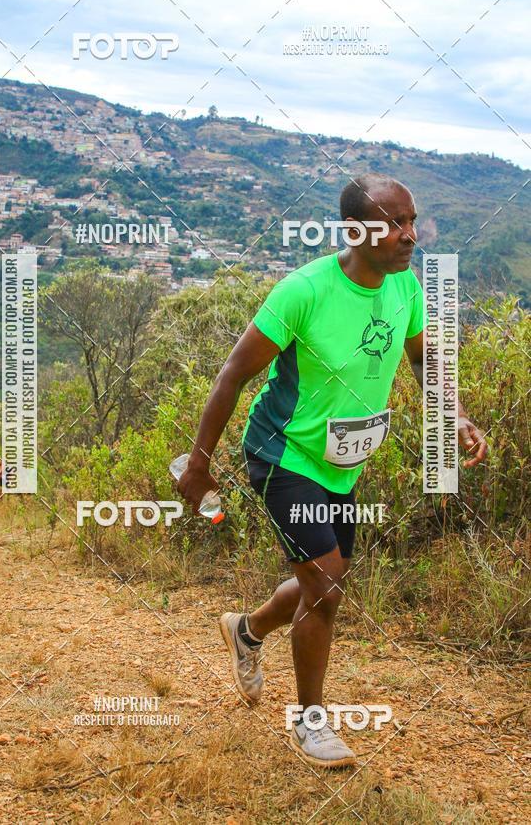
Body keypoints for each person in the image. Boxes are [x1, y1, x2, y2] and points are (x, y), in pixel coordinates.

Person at [176, 175, 488, 768]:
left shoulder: (405, 288)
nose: (410, 236)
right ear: (354, 231)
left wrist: (456, 416)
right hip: (282, 453)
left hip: (342, 465)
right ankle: (311, 723)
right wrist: (199, 464)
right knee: (327, 586)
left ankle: (246, 629)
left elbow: (424, 362)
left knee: (326, 578)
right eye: (394, 224)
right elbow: (231, 377)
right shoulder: (304, 291)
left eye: (412, 221)